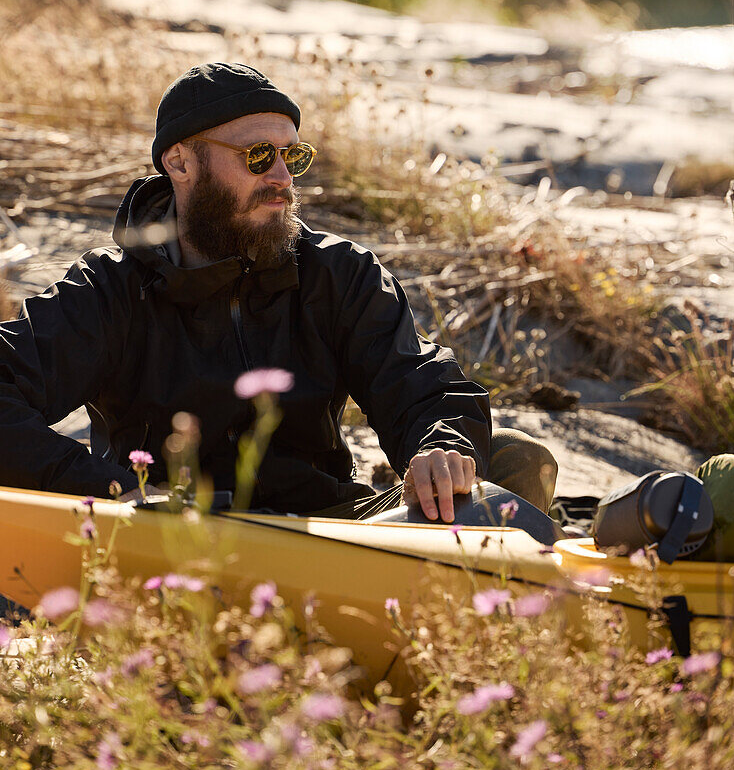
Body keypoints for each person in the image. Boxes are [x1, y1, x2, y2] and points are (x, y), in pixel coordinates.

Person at [0, 63, 557, 521]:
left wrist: (444, 449)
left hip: (334, 530)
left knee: (513, 459)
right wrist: (118, 491)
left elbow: (422, 385)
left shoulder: (341, 273)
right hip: (175, 538)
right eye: (258, 156)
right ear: (180, 161)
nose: (283, 178)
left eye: (292, 156)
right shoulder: (110, 289)